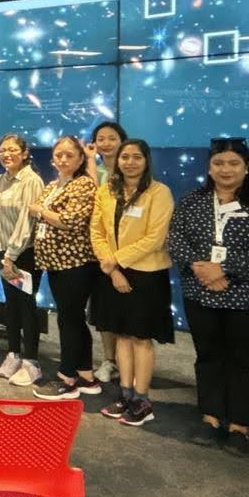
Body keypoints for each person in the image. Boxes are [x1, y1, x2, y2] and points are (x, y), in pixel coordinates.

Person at [167, 137, 249, 455]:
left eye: (234, 163)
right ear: (209, 168)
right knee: (208, 357)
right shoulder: (193, 201)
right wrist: (202, 270)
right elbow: (176, 238)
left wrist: (224, 270)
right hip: (201, 293)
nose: (226, 169)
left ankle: (239, 426)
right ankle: (209, 417)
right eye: (219, 163)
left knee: (243, 360)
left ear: (247, 168)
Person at [89, 139, 175, 427]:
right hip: (112, 272)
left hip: (146, 273)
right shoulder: (106, 190)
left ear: (146, 160)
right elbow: (96, 231)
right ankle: (125, 394)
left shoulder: (159, 192)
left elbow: (155, 238)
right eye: (125, 157)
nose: (130, 162)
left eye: (136, 157)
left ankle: (142, 399)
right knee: (121, 335)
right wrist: (111, 267)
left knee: (140, 337)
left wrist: (116, 260)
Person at [28, 136, 102, 399]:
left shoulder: (84, 185)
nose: (62, 159)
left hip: (76, 263)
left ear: (80, 158)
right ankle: (86, 376)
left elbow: (69, 220)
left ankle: (66, 379)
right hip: (55, 263)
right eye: (58, 155)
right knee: (73, 319)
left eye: (69, 155)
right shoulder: (54, 184)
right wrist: (40, 211)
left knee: (68, 320)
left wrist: (39, 211)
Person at [0, 133, 44, 385]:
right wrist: (2, 254)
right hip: (4, 253)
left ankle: (31, 362)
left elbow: (27, 222)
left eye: (12, 150)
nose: (6, 154)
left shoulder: (31, 181)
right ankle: (13, 353)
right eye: (2, 150)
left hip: (24, 253)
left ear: (24, 153)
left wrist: (11, 256)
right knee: (11, 305)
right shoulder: (0, 180)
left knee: (26, 306)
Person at [84, 120, 127, 383]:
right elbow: (93, 196)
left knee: (126, 309)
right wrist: (89, 160)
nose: (106, 143)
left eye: (112, 138)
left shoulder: (134, 171)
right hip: (99, 250)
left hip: (128, 252)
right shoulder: (96, 170)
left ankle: (128, 361)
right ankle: (109, 360)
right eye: (101, 138)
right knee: (103, 309)